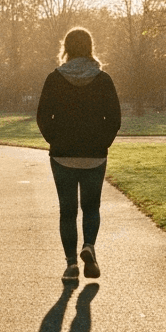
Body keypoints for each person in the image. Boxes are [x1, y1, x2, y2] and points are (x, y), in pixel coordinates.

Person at [36, 27, 122, 280]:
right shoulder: (103, 80)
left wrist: (55, 140)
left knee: (67, 211)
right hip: (94, 154)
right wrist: (102, 143)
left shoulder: (54, 79)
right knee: (91, 207)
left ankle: (71, 265)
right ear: (90, 48)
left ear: (66, 48)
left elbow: (43, 116)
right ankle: (89, 247)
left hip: (63, 155)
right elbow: (114, 118)